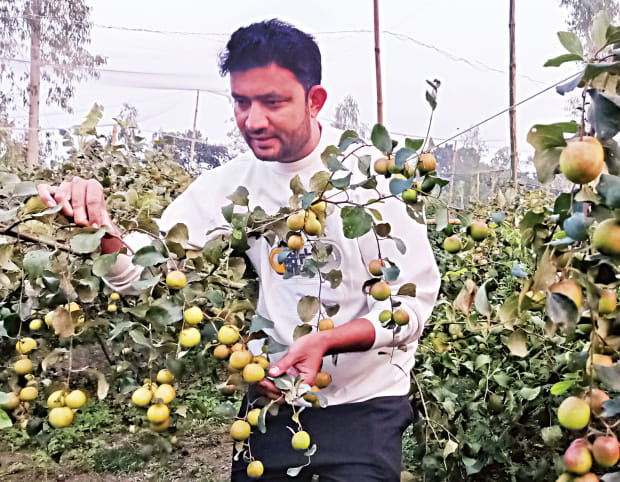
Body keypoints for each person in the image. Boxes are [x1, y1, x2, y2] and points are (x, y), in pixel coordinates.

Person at [37, 19, 441, 482]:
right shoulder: (227, 188)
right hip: (270, 398)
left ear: (315, 101)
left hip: (365, 404)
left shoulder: (373, 184)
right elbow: (142, 273)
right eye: (241, 102)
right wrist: (99, 227)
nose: (253, 120)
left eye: (272, 102)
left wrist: (326, 339)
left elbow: (409, 306)